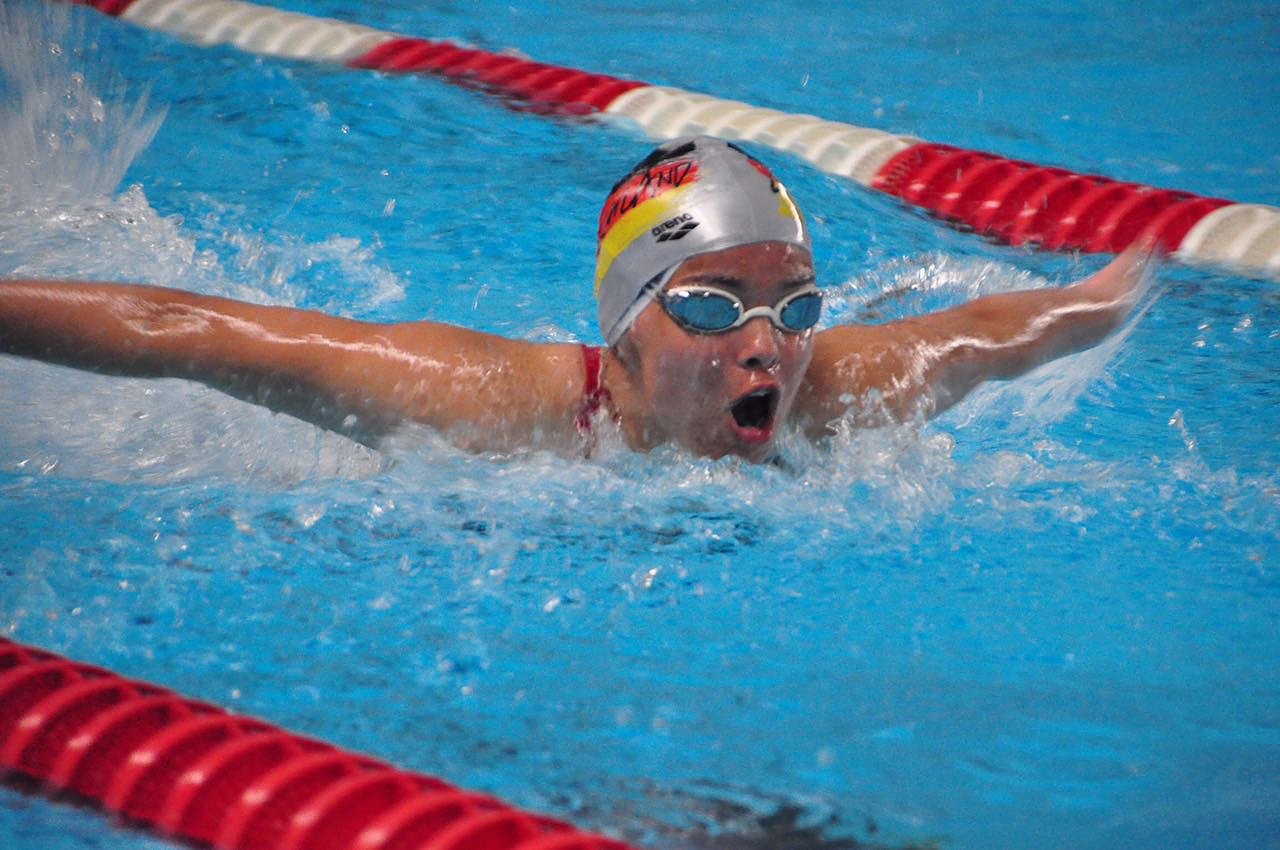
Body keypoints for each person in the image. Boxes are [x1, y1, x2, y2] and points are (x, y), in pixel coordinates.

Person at [0, 135, 1154, 463]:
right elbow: (185, 331)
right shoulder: (490, 402)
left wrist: (1118, 284)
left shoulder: (837, 394)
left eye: (795, 308)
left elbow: (987, 333)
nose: (768, 349)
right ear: (623, 326)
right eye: (712, 308)